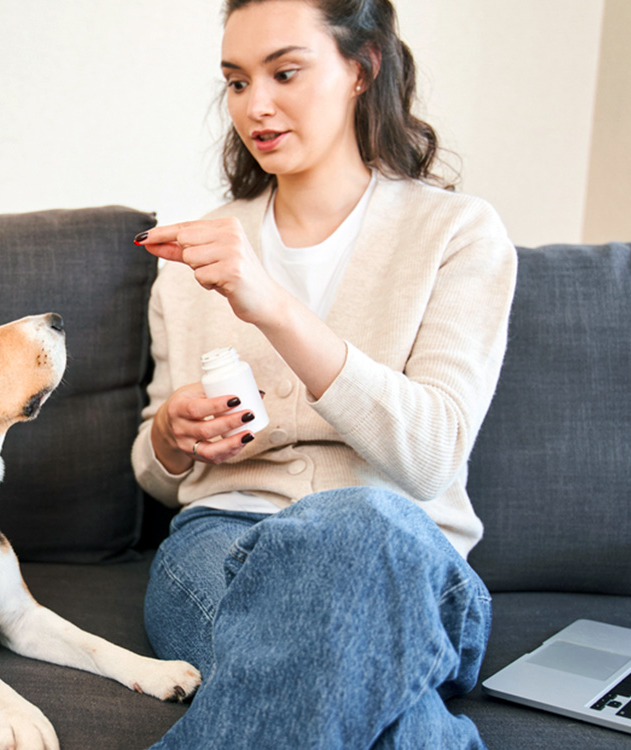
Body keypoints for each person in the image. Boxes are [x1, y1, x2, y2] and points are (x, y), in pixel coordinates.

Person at [130, 0, 517, 747]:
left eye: (286, 72)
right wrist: (173, 436)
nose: (256, 106)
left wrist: (272, 305)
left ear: (360, 70)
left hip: (404, 553)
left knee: (362, 524)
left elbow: (432, 455)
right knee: (405, 727)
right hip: (227, 546)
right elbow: (154, 475)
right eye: (237, 81)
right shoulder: (188, 258)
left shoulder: (457, 234)